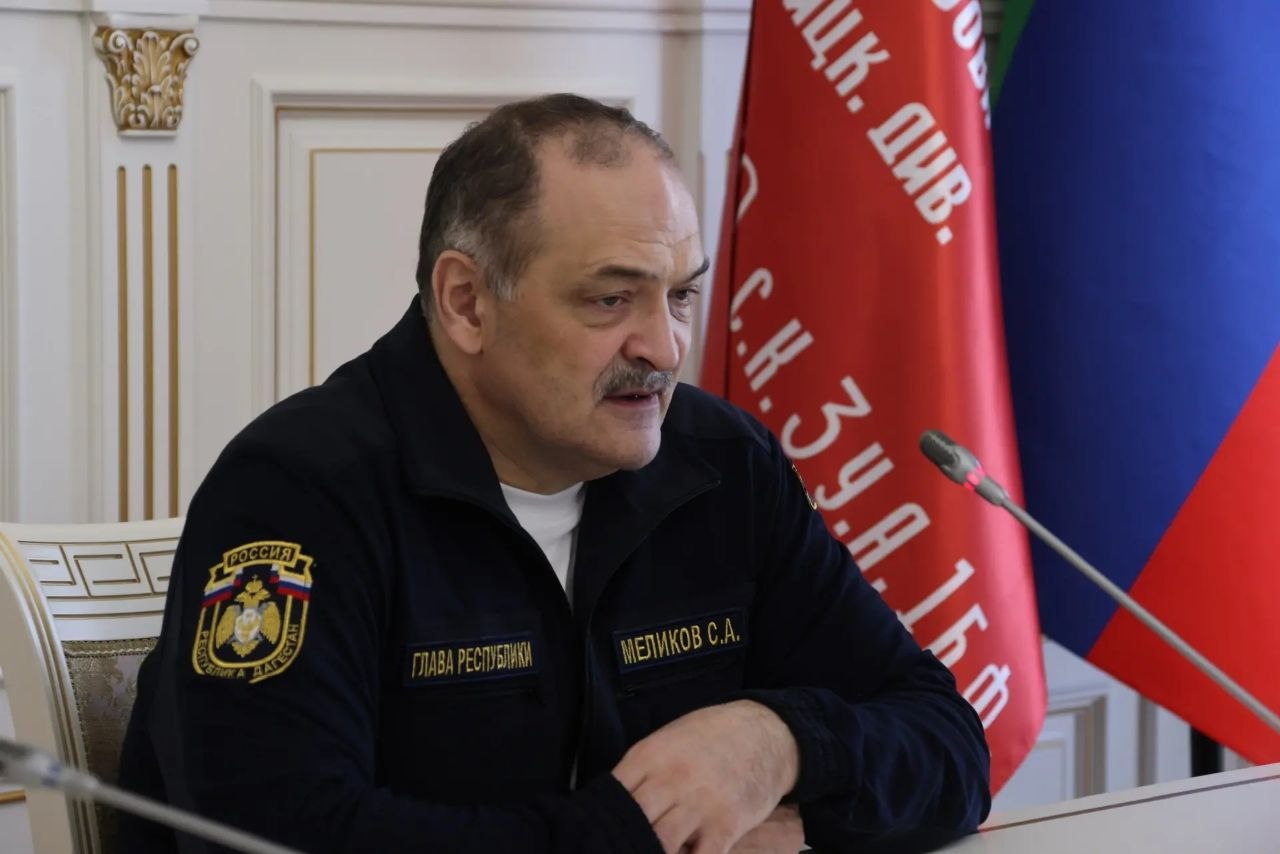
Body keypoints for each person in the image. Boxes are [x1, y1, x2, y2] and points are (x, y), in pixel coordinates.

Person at [119, 93, 990, 854]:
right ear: (466, 303)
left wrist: (778, 744)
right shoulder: (297, 489)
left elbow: (949, 749)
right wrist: (643, 837)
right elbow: (272, 834)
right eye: (611, 299)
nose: (665, 347)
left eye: (681, 294)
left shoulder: (723, 464)